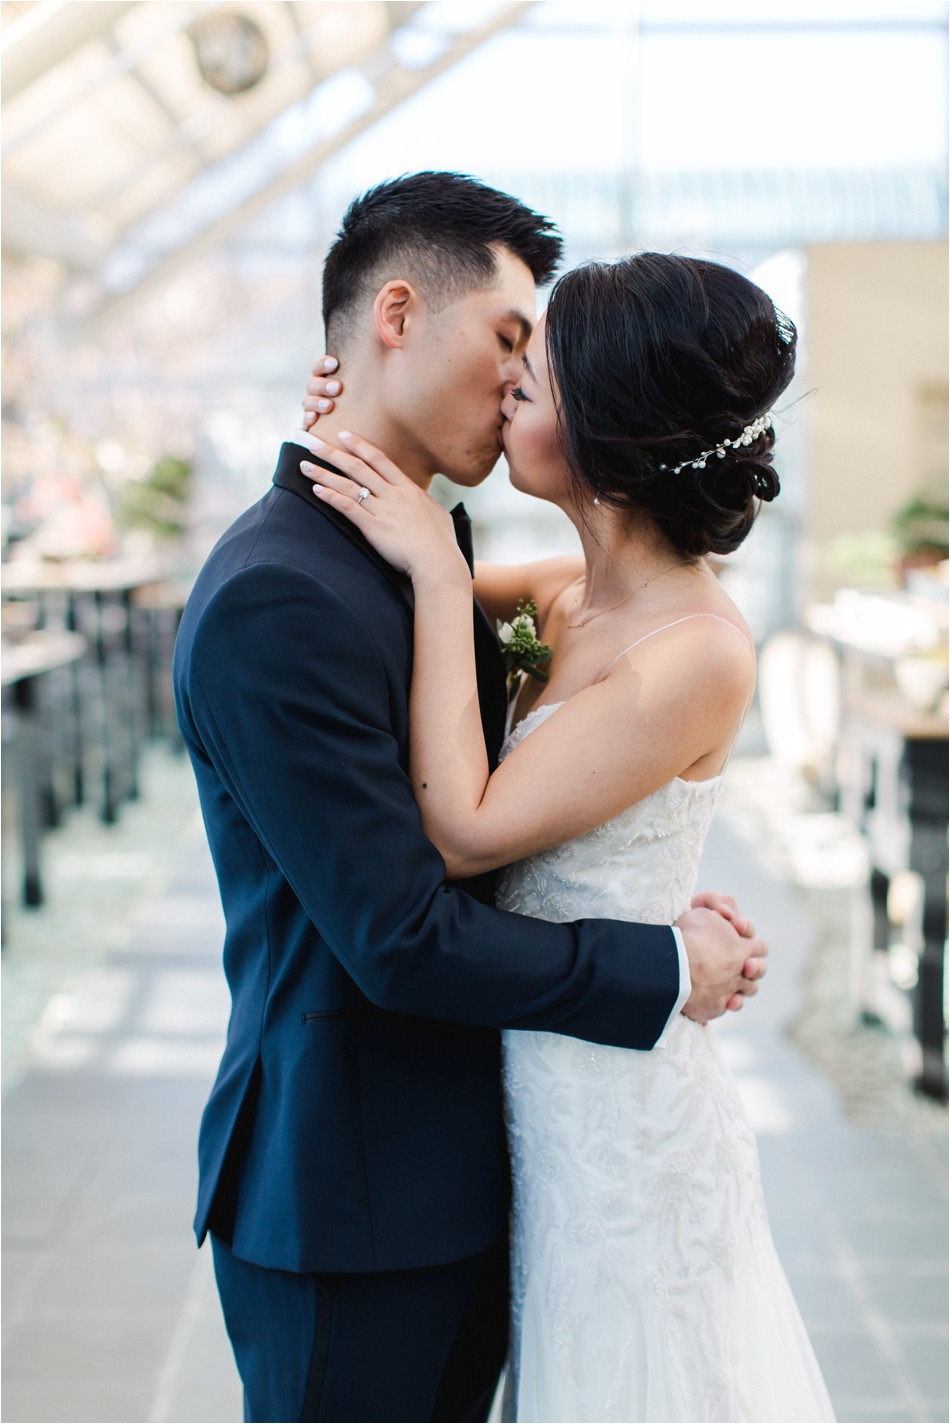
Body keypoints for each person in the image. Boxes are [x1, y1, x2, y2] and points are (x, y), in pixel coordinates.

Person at [173, 174, 766, 1424]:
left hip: (494, 1170)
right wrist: (657, 960)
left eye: (533, 366)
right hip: (353, 1197)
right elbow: (397, 929)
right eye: (507, 342)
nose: (512, 389)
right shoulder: (287, 591)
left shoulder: (415, 559)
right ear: (396, 314)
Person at [298, 249, 835, 1422]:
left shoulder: (697, 647)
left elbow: (461, 826)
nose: (502, 392)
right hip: (540, 1088)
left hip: (622, 1128)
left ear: (611, 431)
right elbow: (371, 566)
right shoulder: (572, 594)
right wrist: (358, 440)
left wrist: (443, 584)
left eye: (528, 380)